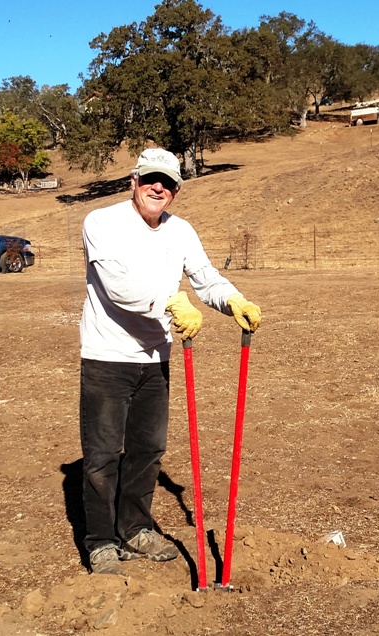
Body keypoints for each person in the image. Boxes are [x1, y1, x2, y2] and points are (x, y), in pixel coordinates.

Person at [78, 148, 262, 576]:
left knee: (147, 450)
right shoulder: (102, 222)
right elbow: (116, 284)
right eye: (150, 180)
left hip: (156, 356)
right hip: (108, 355)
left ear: (177, 190)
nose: (158, 188)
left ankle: (136, 528)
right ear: (134, 182)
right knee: (103, 455)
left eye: (168, 182)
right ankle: (102, 541)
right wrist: (168, 302)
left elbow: (205, 277)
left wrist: (232, 298)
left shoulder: (181, 231)